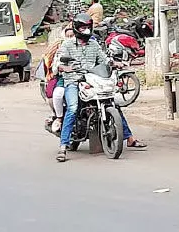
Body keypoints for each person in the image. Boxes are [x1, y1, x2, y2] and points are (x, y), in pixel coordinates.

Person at [56, 13, 146, 163]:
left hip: (93, 79)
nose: (86, 30)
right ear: (77, 28)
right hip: (73, 80)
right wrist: (65, 68)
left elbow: (104, 60)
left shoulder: (94, 44)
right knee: (72, 108)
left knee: (113, 104)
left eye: (88, 27)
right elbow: (60, 63)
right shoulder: (67, 45)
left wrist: (114, 63)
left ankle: (129, 138)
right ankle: (63, 147)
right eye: (83, 28)